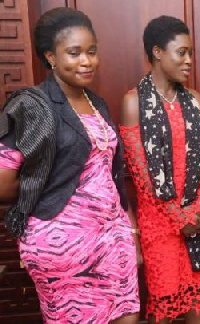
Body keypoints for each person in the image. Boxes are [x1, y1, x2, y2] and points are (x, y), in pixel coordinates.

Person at [0, 7, 140, 323]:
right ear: (50, 56)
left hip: (111, 242)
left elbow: (110, 173)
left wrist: (129, 229)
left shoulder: (97, 102)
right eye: (74, 53)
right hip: (62, 245)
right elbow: (3, 181)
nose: (86, 61)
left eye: (91, 52)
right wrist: (54, 195)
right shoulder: (30, 104)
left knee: (127, 316)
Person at [119, 15, 200, 324]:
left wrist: (197, 211)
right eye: (182, 52)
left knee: (197, 310)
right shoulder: (133, 102)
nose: (189, 60)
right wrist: (178, 218)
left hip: (199, 219)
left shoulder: (195, 100)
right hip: (160, 226)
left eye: (191, 53)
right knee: (162, 311)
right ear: (157, 52)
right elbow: (142, 175)